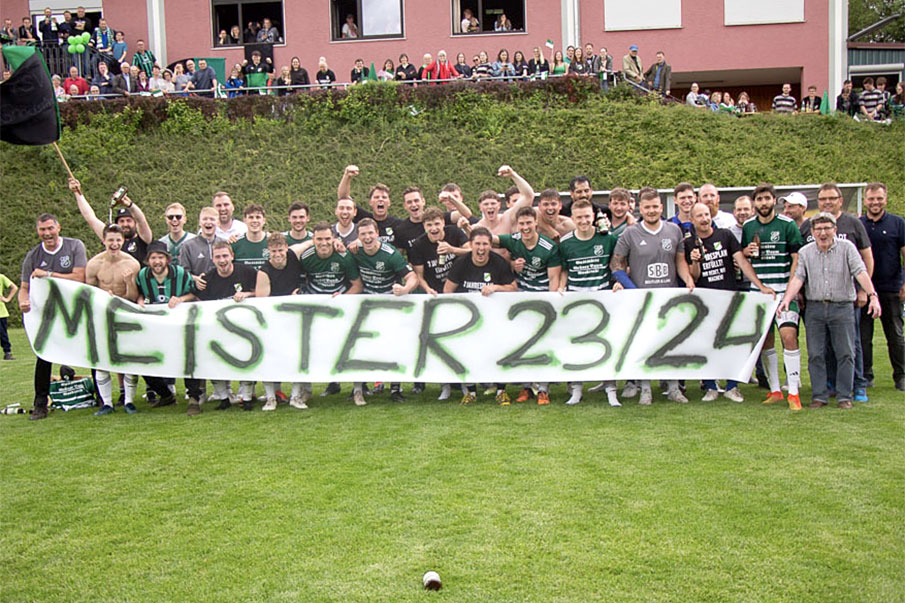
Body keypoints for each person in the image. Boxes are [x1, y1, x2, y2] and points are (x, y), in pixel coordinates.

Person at [779, 213, 881, 409]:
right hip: (815, 308)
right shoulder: (806, 252)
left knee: (846, 353)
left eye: (827, 228)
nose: (823, 233)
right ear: (812, 232)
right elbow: (798, 277)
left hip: (842, 307)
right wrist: (787, 299)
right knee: (815, 354)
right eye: (818, 229)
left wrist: (872, 295)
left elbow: (860, 272)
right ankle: (819, 396)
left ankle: (844, 396)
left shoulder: (847, 248)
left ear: (835, 230)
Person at [611, 187, 695, 405]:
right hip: (642, 299)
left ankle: (674, 388)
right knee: (644, 344)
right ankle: (645, 389)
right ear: (640, 208)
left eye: (655, 206)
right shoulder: (630, 233)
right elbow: (617, 266)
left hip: (669, 296)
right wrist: (634, 290)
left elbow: (679, 260)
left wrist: (687, 279)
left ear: (661, 207)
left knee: (671, 343)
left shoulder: (674, 230)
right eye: (647, 207)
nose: (651, 211)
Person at [687, 203, 775, 402]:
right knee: (707, 344)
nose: (704, 219)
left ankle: (732, 387)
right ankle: (710, 387)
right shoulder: (689, 243)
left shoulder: (725, 235)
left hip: (729, 298)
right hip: (705, 302)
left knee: (733, 344)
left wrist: (760, 286)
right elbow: (694, 276)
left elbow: (742, 262)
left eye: (707, 214)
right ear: (692, 220)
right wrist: (695, 261)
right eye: (699, 216)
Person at [801, 183, 874, 401]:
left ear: (840, 200)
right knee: (820, 350)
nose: (827, 202)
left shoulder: (853, 224)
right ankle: (827, 387)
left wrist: (865, 291)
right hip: (816, 301)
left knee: (850, 347)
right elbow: (799, 270)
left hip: (846, 299)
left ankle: (856, 386)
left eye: (831, 198)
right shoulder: (807, 228)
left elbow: (865, 260)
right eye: (823, 199)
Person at [19, 214, 88, 420]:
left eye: (50, 228)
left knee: (92, 351)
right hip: (48, 316)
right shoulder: (33, 256)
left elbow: (79, 277)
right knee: (43, 355)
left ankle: (104, 399)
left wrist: (48, 275)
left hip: (76, 312)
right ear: (37, 231)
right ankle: (40, 404)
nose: (47, 233)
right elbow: (24, 287)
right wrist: (23, 301)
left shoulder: (74, 246)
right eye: (42, 229)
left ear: (59, 227)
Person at [741, 183, 803, 410]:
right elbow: (744, 257)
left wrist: (790, 291)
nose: (763, 203)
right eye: (759, 199)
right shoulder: (748, 226)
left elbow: (797, 259)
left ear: (774, 200)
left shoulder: (787, 225)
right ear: (754, 203)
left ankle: (793, 392)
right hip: (759, 294)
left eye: (767, 198)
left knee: (789, 336)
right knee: (765, 341)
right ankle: (775, 390)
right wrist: (746, 252)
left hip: (784, 293)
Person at [557, 199, 621, 406]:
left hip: (603, 299)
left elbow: (617, 266)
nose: (583, 221)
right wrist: (561, 287)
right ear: (572, 219)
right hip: (576, 300)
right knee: (577, 346)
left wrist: (618, 282)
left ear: (593, 216)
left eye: (587, 216)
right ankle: (576, 389)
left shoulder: (608, 239)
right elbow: (564, 270)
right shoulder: (565, 243)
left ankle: (611, 389)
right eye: (579, 217)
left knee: (607, 345)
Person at [445, 227, 517, 405]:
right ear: (471, 245)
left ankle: (501, 390)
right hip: (468, 320)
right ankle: (470, 391)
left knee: (497, 352)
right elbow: (447, 290)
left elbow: (513, 288)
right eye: (477, 244)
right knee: (468, 353)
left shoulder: (499, 262)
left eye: (485, 244)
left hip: (493, 318)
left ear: (490, 246)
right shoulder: (461, 263)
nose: (481, 248)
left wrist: (496, 287)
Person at [349, 218, 418, 401]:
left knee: (393, 345)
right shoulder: (355, 251)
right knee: (362, 346)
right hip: (367, 306)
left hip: (390, 305)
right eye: (363, 234)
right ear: (358, 236)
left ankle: (395, 388)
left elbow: (412, 277)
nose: (367, 237)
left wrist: (405, 289)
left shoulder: (390, 254)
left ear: (377, 233)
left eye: (370, 233)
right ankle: (360, 387)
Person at [297, 223, 364, 403]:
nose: (324, 243)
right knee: (309, 348)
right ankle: (306, 390)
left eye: (327, 238)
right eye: (319, 239)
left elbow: (358, 285)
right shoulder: (306, 257)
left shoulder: (344, 257)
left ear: (334, 239)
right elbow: (301, 282)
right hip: (315, 309)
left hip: (339, 308)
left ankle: (357, 390)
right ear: (313, 240)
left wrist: (343, 298)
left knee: (349, 346)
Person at [194, 241, 258, 410]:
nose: (222, 260)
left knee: (247, 359)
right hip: (218, 329)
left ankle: (247, 398)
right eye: (218, 257)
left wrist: (247, 294)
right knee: (214, 360)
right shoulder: (208, 279)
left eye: (225, 256)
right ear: (212, 259)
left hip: (245, 328)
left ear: (232, 256)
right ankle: (223, 398)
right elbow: (199, 302)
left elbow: (262, 293)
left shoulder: (247, 272)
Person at [85, 224, 142, 416]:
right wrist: (103, 296)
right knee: (102, 359)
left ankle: (129, 401)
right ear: (104, 241)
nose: (114, 244)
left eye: (118, 240)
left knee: (128, 358)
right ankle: (107, 403)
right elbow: (89, 293)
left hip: (125, 314)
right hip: (103, 316)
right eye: (111, 240)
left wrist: (128, 283)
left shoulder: (132, 263)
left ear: (123, 241)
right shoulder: (94, 264)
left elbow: (134, 296)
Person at [135, 241, 195, 412]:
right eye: (153, 258)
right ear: (148, 260)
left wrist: (180, 299)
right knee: (144, 362)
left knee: (188, 360)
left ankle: (194, 398)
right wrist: (140, 300)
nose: (157, 261)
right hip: (154, 328)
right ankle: (166, 395)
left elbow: (194, 294)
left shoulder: (180, 273)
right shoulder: (143, 275)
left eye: (160, 257)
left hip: (178, 326)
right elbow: (138, 293)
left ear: (167, 259)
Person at [255, 233, 311, 411]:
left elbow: (311, 242)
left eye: (280, 250)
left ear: (286, 248)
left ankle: (296, 396)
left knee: (297, 355)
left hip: (295, 317)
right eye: (273, 251)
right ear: (268, 251)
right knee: (269, 357)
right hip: (273, 319)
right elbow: (262, 302)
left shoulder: (294, 254)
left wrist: (335, 242)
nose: (277, 254)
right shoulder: (264, 272)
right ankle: (270, 398)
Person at [858, 182, 905, 391]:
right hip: (864, 289)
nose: (875, 202)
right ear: (865, 200)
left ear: (885, 199)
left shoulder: (898, 223)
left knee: (895, 335)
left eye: (879, 198)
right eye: (871, 199)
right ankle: (866, 376)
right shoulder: (859, 224)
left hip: (891, 287)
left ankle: (901, 376)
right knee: (863, 336)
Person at [69, 177, 153, 264]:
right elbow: (90, 218)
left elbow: (141, 220)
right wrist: (77, 193)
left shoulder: (144, 238)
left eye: (129, 220)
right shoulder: (111, 237)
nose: (125, 224)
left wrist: (130, 205)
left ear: (135, 223)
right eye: (121, 221)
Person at [337, 165, 403, 244]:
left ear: (389, 202)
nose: (380, 199)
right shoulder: (363, 218)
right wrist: (347, 176)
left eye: (384, 197)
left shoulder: (397, 224)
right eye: (376, 197)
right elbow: (344, 198)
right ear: (370, 202)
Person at [178, 207, 221, 278]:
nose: (208, 222)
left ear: (218, 223)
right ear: (199, 222)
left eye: (212, 219)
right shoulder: (188, 246)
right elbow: (183, 272)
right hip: (196, 285)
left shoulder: (224, 243)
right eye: (205, 219)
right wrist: (195, 279)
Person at [231, 205, 269, 270]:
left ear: (264, 220)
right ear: (244, 220)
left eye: (258, 217)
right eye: (251, 217)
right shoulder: (235, 243)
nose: (254, 220)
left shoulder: (272, 242)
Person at [0, 273, 18, 360]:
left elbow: (14, 287)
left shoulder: (1, 277)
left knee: (3, 334)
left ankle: (7, 352)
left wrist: (7, 299)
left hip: (1, 312)